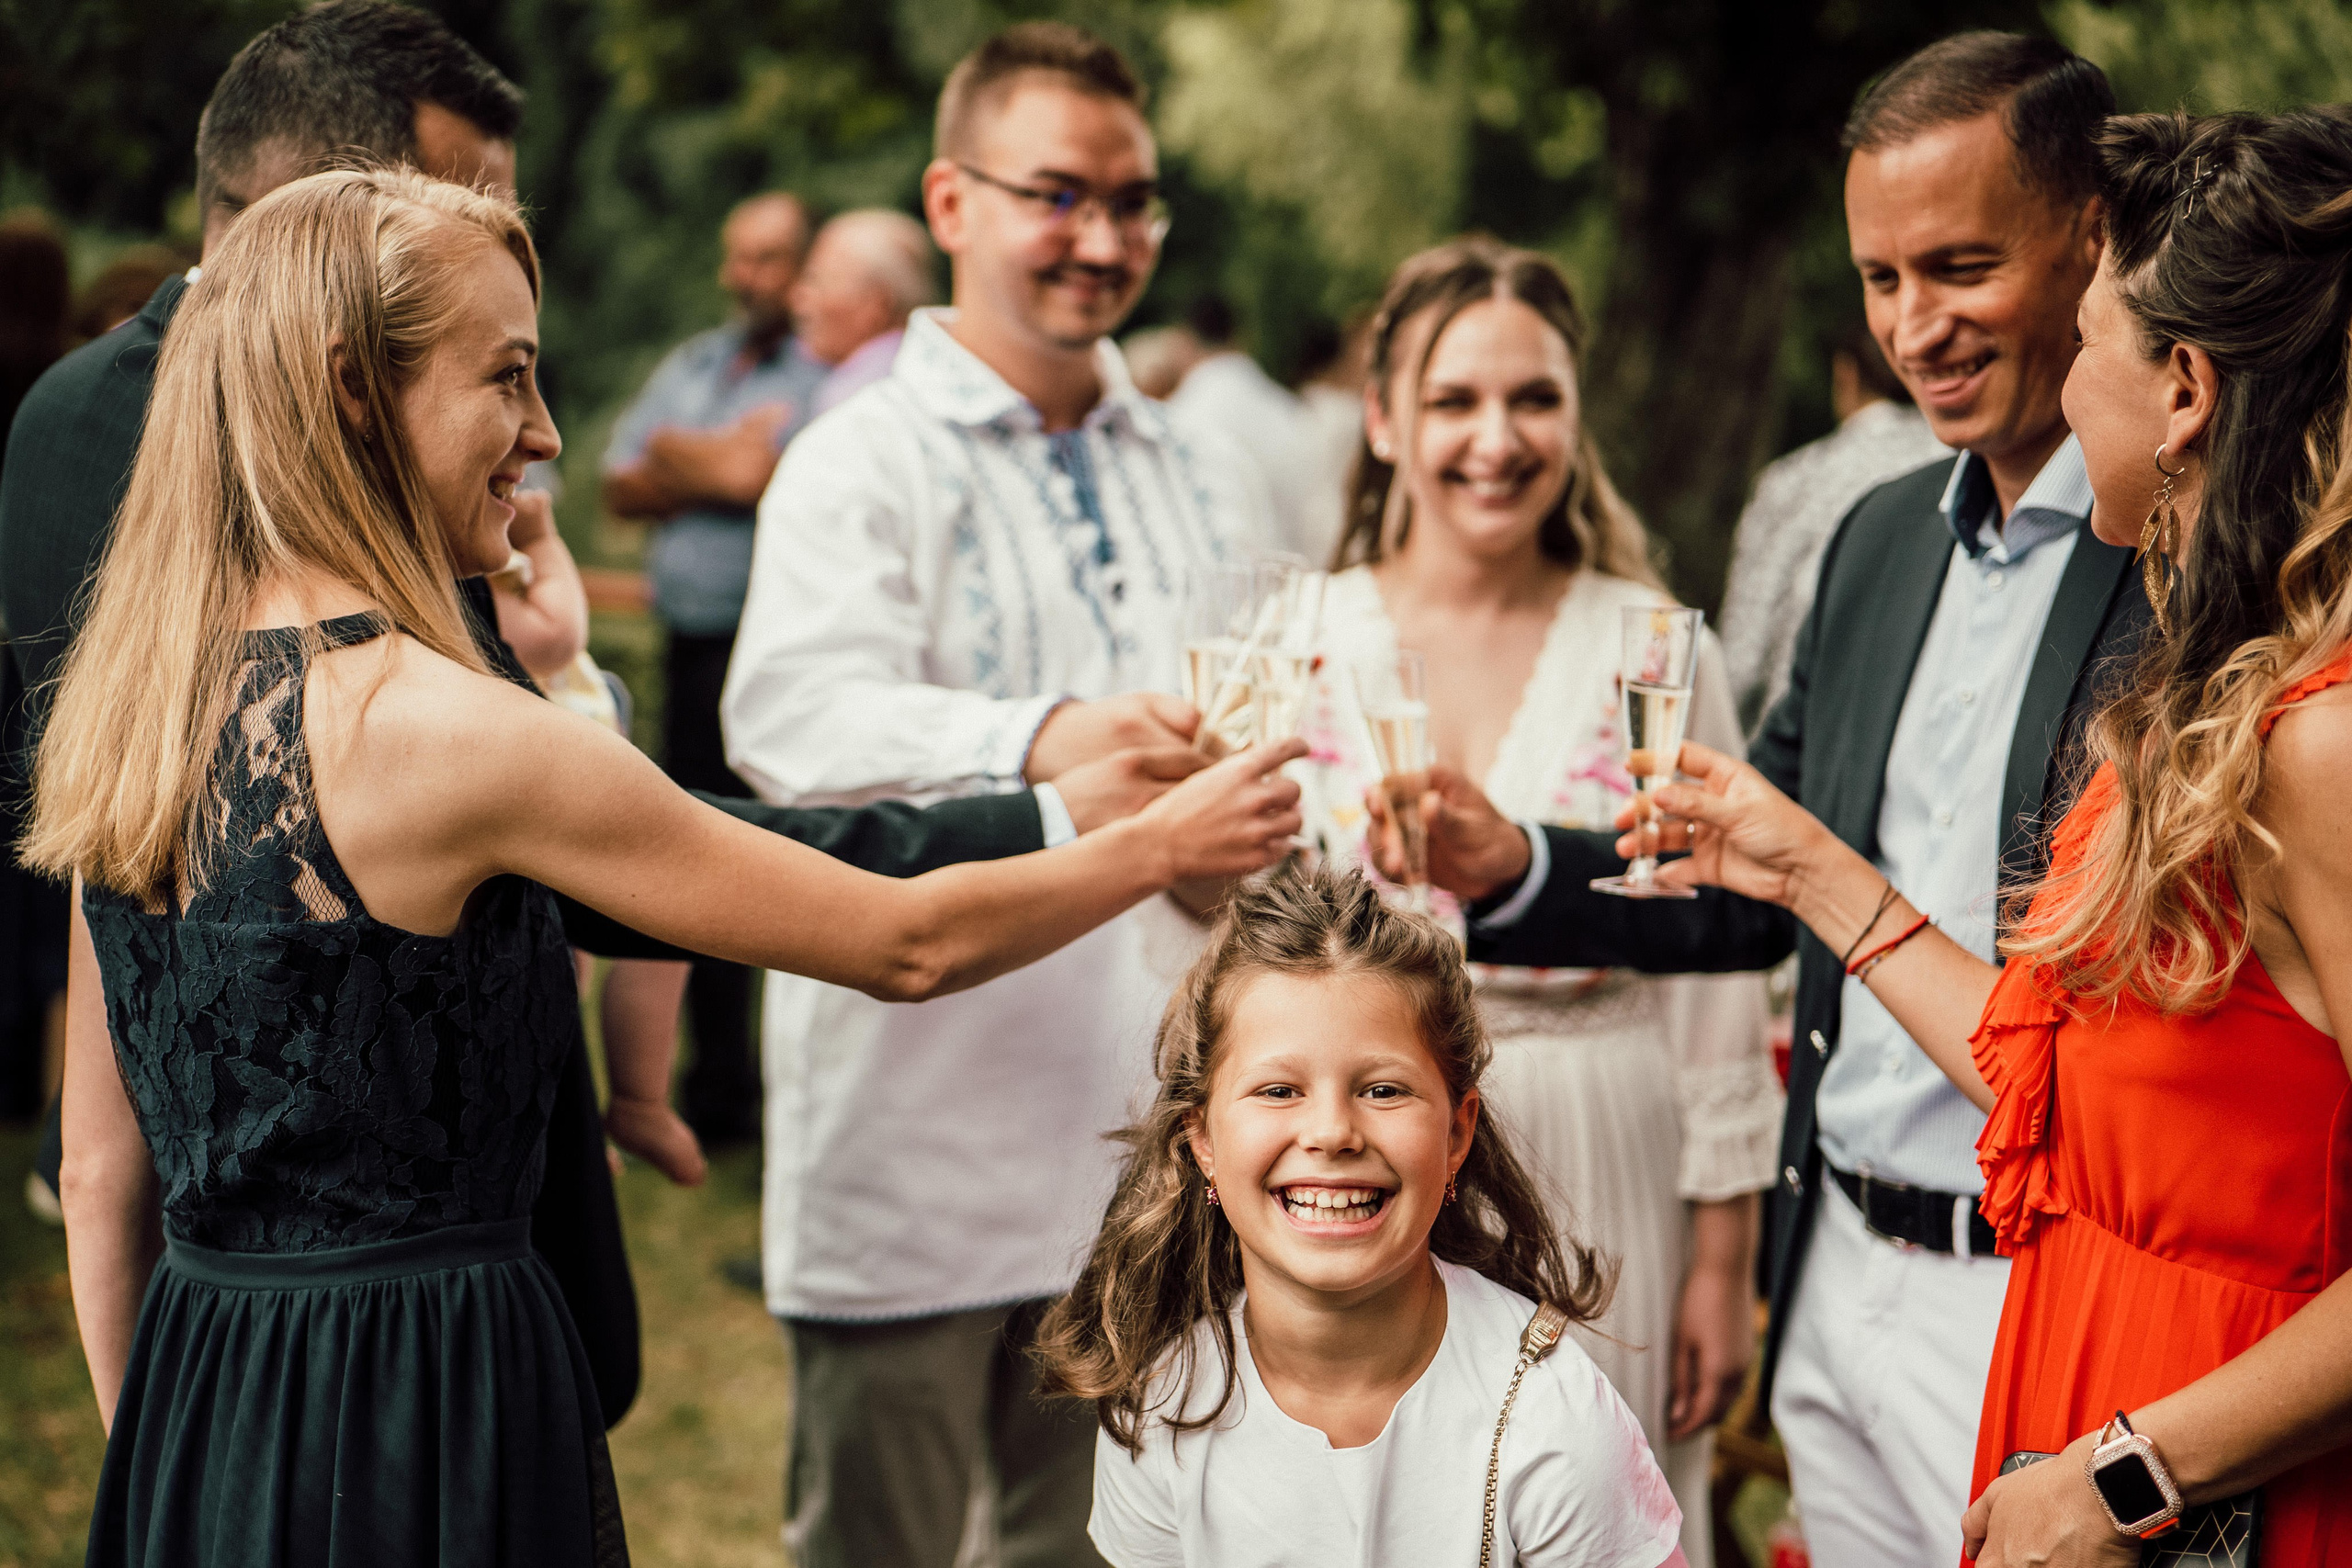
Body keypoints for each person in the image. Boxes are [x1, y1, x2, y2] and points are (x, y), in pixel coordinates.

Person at [25, 164, 1305, 1568]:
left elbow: (100, 1166)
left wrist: (170, 1451)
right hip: (433, 1398)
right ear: (349, 388)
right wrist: (1156, 846)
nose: (546, 431)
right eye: (508, 378)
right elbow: (905, 942)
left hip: (204, 1398)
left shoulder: (131, 698)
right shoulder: (463, 735)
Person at [1379, 34, 2132, 1568]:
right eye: (1880, 279)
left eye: (1959, 267)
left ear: (2093, 242)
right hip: (1838, 1267)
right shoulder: (1874, 544)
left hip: (2043, 1273)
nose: (1914, 325)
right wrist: (1520, 860)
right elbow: (1744, 877)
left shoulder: (2178, 560)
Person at [1627, 107, 2352, 1565]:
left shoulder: (2323, 741)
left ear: (2188, 388)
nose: (2076, 385)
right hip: (2089, 1414)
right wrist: (1800, 867)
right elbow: (2055, 1074)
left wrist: (2125, 1477)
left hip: (2220, 1475)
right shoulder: (2216, 695)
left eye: (2092, 339)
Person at [720, 23, 1275, 1565]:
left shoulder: (1189, 462)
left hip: (1141, 1141)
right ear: (951, 202)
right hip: (916, 1135)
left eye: (1135, 202)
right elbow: (788, 723)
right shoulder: (856, 459)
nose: (1103, 240)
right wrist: (1051, 739)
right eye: (1060, 196)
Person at [1312, 237, 1777, 1566]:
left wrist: (1719, 1253)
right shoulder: (1306, 641)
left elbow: (1717, 956)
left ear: (1576, 419)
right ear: (1386, 418)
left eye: (1534, 400)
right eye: (1456, 400)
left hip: (1602, 1142)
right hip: (1362, 1161)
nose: (1496, 439)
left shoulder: (1656, 646)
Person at [1037, 863, 1687, 1567]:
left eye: (1382, 1089)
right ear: (1202, 1138)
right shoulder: (1163, 1407)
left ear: (1457, 1134)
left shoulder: (1553, 1421)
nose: (1332, 1132)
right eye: (1279, 1089)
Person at [602, 189, 822, 1147]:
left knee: (779, 865)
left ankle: (787, 1095)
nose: (747, 277)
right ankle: (713, 1088)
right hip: (689, 651)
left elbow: (753, 477)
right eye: (739, 256)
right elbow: (617, 474)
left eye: (769, 258)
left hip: (769, 654)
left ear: (806, 268)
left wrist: (690, 465)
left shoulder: (828, 373)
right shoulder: (695, 360)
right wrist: (707, 460)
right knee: (688, 858)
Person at [1714, 325, 1948, 737]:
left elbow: (1743, 656)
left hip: (1798, 739)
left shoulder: (1797, 478)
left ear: (1847, 373)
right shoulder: (1969, 472)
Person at [1169, 293, 1321, 558]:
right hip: (1292, 582)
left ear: (1183, 341)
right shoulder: (1287, 409)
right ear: (1241, 336)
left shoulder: (1179, 417)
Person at [793, 207, 938, 415]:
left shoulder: (858, 393)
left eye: (817, 282)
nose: (799, 298)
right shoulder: (927, 366)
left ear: (876, 305)